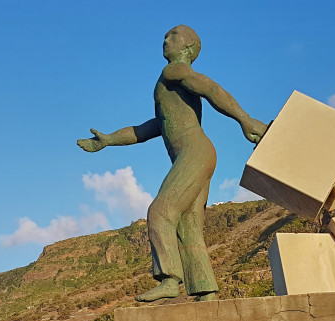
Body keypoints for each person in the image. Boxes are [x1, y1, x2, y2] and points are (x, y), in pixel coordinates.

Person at [77, 25, 267, 302]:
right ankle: (205, 292)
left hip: (194, 151)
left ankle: (169, 279)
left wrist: (244, 118)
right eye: (165, 36)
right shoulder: (171, 83)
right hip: (198, 154)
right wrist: (108, 140)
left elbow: (212, 89)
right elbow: (150, 128)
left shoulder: (174, 71)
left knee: (160, 212)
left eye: (173, 36)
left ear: (188, 48)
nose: (166, 39)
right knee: (188, 226)